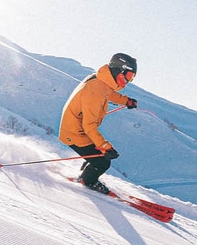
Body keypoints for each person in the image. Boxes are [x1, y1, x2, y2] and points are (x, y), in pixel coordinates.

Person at [58, 52, 139, 194]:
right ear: (119, 70)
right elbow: (89, 126)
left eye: (131, 78)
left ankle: (87, 171)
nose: (128, 81)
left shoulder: (101, 81)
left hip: (76, 127)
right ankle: (87, 181)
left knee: (98, 154)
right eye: (128, 76)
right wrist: (106, 147)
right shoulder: (95, 90)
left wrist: (126, 101)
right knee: (103, 162)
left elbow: (109, 94)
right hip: (74, 132)